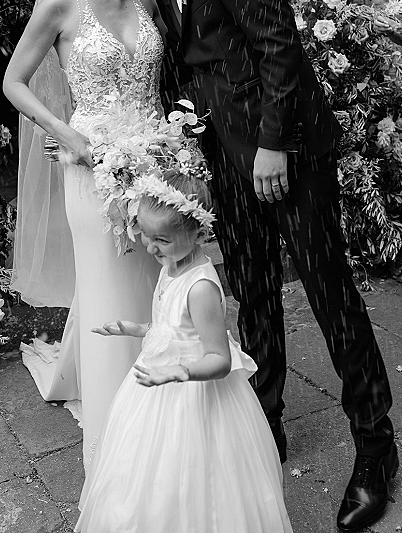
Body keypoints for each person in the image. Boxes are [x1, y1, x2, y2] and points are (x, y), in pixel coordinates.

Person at [113, 0, 397, 533]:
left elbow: (279, 45)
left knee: (329, 293)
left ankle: (375, 447)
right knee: (254, 292)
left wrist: (272, 144)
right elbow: (211, 60)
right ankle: (263, 424)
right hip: (228, 161)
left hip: (283, 157)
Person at [3, 0, 164, 466]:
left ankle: (167, 413)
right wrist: (63, 132)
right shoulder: (61, 7)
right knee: (107, 292)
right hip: (92, 169)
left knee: (157, 282)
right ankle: (116, 446)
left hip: (152, 160)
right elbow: (14, 81)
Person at [74, 171, 294, 533]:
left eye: (162, 238)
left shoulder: (201, 288)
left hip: (196, 396)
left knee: (195, 473)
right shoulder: (171, 266)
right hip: (155, 388)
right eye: (145, 234)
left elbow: (219, 359)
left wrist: (181, 372)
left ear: (199, 233)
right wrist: (135, 330)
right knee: (149, 470)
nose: (150, 246)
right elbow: (172, 330)